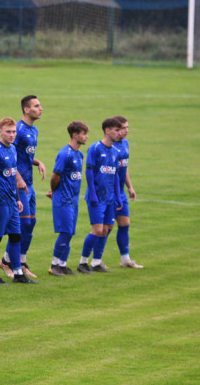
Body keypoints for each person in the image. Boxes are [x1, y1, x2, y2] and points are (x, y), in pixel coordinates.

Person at [0, 118, 35, 284]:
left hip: (12, 202)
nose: (12, 135)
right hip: (0, 202)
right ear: (0, 131)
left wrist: (17, 199)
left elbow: (13, 176)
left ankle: (18, 273)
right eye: (8, 131)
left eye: (14, 131)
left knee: (16, 236)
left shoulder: (14, 149)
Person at [79, 118, 124, 273]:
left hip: (110, 197)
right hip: (97, 197)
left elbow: (116, 175)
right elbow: (89, 171)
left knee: (106, 230)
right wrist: (92, 194)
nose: (120, 134)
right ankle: (83, 262)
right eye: (117, 130)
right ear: (107, 130)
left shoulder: (116, 152)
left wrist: (118, 196)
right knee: (97, 230)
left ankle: (96, 262)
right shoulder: (95, 148)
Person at [9, 94, 45, 279]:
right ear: (26, 109)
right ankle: (11, 262)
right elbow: (10, 155)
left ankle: (20, 262)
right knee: (22, 223)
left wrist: (36, 162)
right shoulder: (18, 129)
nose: (41, 109)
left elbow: (24, 156)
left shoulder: (34, 130)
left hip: (29, 182)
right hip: (20, 183)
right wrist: (18, 178)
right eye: (37, 106)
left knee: (30, 223)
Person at [46, 121, 88, 276]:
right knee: (65, 231)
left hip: (73, 199)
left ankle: (62, 264)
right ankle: (54, 265)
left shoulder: (80, 154)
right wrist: (54, 191)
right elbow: (55, 176)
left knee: (70, 232)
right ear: (75, 135)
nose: (86, 137)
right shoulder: (65, 153)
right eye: (84, 134)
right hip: (63, 199)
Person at [111, 116, 143, 269]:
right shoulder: (109, 147)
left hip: (121, 192)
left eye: (127, 127)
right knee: (104, 229)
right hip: (109, 193)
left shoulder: (125, 144)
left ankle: (125, 259)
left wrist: (129, 186)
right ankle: (94, 260)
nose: (126, 131)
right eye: (123, 128)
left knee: (124, 224)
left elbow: (124, 167)